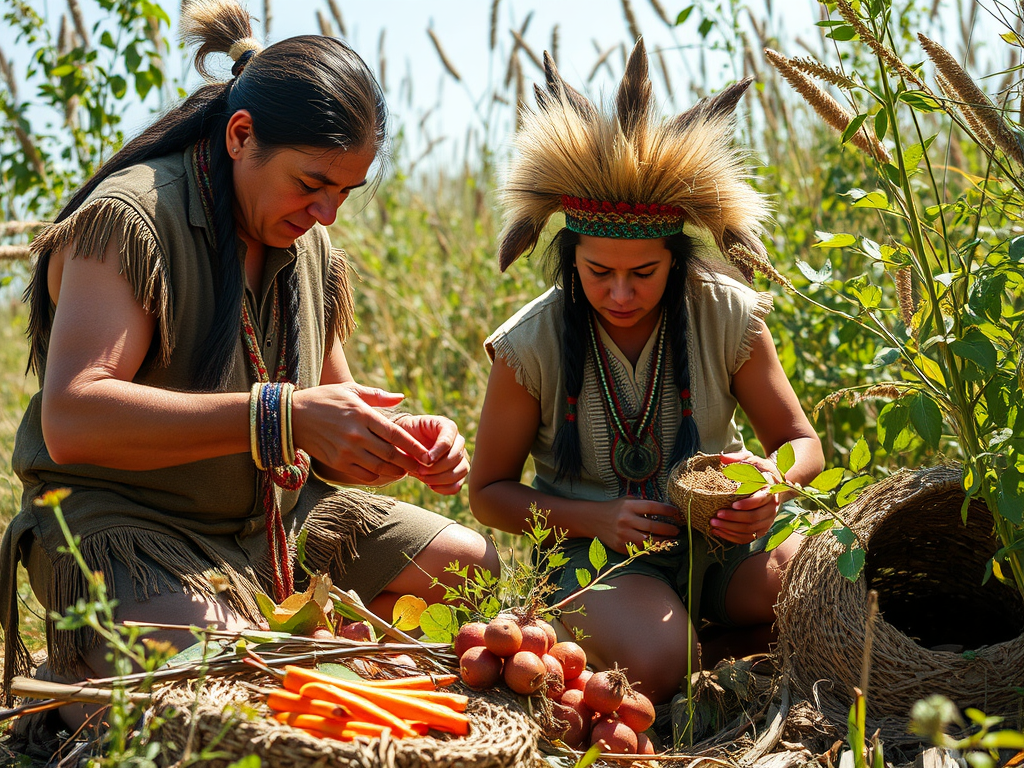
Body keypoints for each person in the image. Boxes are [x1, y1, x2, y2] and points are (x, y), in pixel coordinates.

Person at [0, 0, 498, 725]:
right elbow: (74, 414)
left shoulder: (307, 242)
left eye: (345, 193)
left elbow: (332, 407)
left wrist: (398, 442)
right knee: (242, 681)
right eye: (311, 184)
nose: (328, 213)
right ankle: (91, 664)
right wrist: (281, 415)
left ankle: (236, 647)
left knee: (470, 568)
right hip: (131, 530)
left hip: (274, 530)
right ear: (241, 137)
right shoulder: (132, 220)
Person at [468, 41, 824, 705]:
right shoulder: (530, 344)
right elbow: (488, 493)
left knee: (819, 592)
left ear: (678, 259)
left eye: (645, 274)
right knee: (659, 662)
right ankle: (691, 660)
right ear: (571, 258)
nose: (622, 294)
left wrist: (772, 487)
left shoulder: (728, 315)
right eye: (600, 273)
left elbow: (802, 442)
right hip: (596, 556)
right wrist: (596, 519)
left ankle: (707, 656)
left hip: (723, 546)